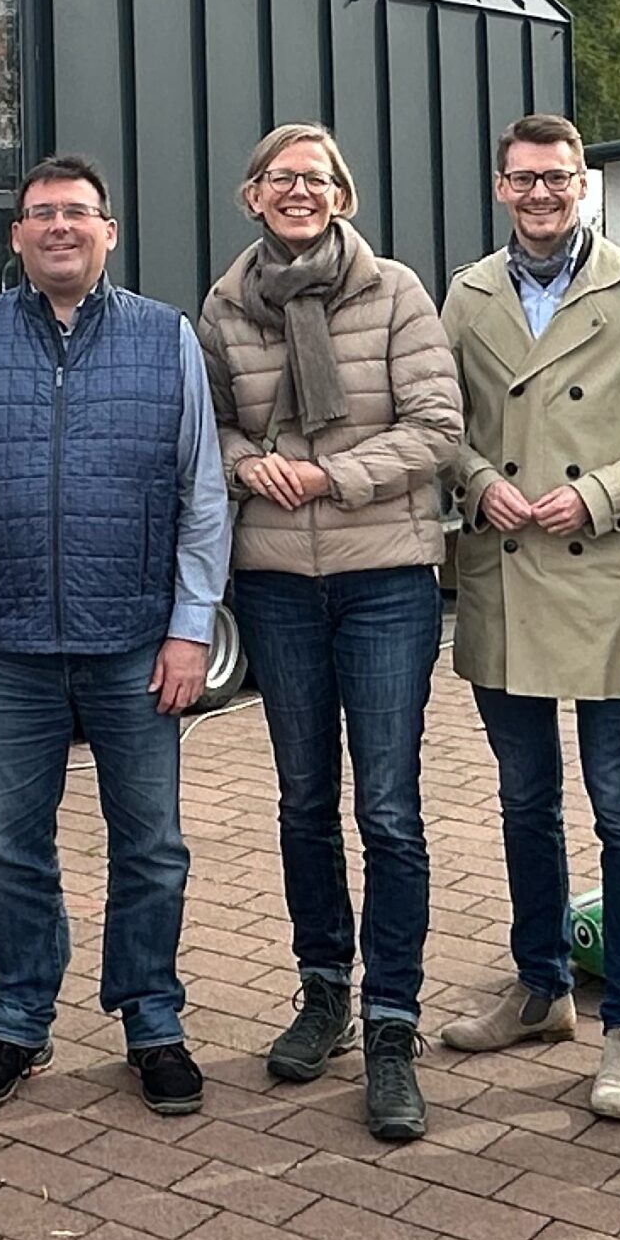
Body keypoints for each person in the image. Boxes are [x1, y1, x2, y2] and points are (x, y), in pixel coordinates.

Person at [0, 154, 230, 1117]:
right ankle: (17, 1020)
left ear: (109, 232)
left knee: (152, 846)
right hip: (3, 647)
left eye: (76, 213)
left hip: (134, 640)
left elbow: (201, 495)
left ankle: (152, 1022)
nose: (58, 228)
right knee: (10, 846)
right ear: (16, 235)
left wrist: (189, 627)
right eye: (40, 213)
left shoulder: (165, 338)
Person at [438, 113, 620, 1118]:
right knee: (522, 802)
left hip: (607, 578)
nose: (540, 194)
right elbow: (444, 423)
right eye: (522, 179)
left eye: (556, 177)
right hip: (504, 574)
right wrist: (477, 482)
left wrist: (599, 493)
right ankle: (541, 985)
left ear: (584, 184)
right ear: (500, 186)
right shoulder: (467, 292)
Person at [197, 123, 462, 1142]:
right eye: (279, 177)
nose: (297, 191)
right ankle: (322, 989)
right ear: (251, 194)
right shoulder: (225, 305)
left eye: (315, 177)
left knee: (387, 804)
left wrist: (327, 474)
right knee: (304, 797)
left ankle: (392, 1017)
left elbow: (439, 429)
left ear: (342, 195)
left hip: (384, 580)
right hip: (275, 585)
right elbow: (207, 420)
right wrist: (240, 461)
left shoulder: (394, 291)